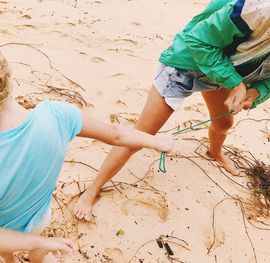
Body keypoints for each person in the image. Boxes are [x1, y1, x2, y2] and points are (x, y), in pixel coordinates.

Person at [0, 23, 173, 263]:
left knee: (4, 251)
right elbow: (117, 134)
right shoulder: (58, 116)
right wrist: (153, 140)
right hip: (38, 219)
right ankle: (39, 253)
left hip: (0, 231)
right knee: (38, 245)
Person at [74, 0, 270, 221]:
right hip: (186, 64)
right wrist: (234, 83)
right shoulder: (257, 7)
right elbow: (198, 40)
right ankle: (92, 189)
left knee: (224, 124)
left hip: (223, 73)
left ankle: (214, 152)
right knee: (141, 135)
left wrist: (256, 92)